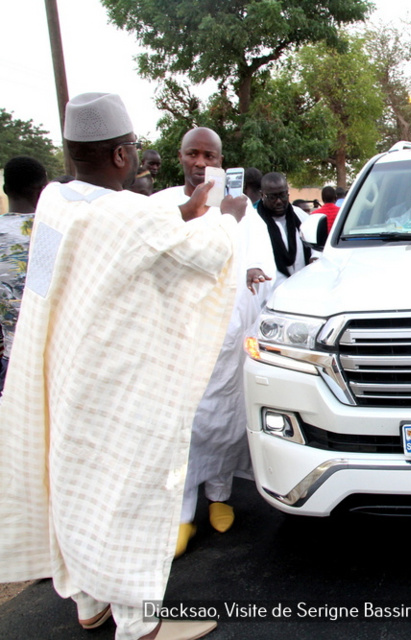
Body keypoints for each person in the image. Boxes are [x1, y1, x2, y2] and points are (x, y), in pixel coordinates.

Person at [0, 92, 245, 640]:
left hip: (64, 377)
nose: (137, 156)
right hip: (121, 387)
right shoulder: (126, 215)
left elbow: (132, 235)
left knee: (77, 488)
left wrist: (191, 207)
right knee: (132, 492)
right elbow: (204, 256)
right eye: (133, 148)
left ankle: (88, 602)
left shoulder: (57, 203)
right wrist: (225, 218)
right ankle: (140, 624)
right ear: (118, 155)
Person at [152, 127, 274, 557]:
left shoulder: (242, 210)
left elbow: (258, 262)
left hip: (227, 340)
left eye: (210, 155)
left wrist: (253, 273)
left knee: (224, 420)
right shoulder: (160, 206)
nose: (201, 163)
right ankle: (181, 514)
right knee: (182, 427)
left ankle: (219, 496)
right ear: (180, 157)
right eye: (193, 154)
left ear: (222, 161)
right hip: (177, 342)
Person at [0, 156, 47, 392]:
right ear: (43, 190)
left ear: (6, 189)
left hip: (10, 360)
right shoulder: (53, 231)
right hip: (52, 359)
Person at [258, 172, 311, 288]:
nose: (278, 201)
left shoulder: (301, 216)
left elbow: (315, 244)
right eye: (272, 197)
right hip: (270, 293)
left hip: (302, 287)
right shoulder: (254, 222)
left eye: (282, 195)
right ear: (262, 195)